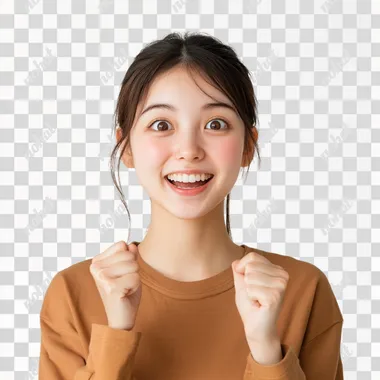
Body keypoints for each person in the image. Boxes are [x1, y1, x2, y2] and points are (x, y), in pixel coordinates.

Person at [38, 31, 344, 379]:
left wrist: (266, 351)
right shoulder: (73, 293)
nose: (189, 149)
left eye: (216, 124)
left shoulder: (302, 290)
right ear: (126, 148)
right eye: (161, 124)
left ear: (248, 145)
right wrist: (115, 337)